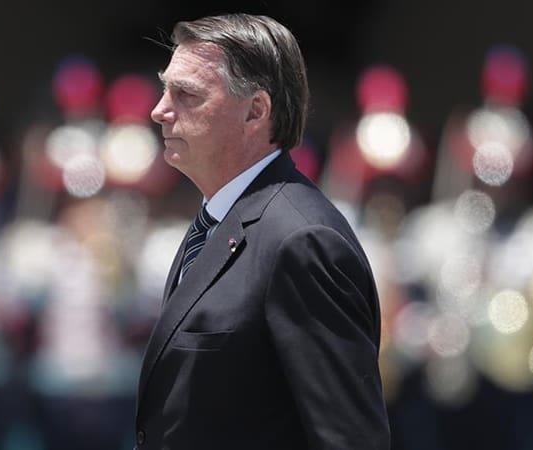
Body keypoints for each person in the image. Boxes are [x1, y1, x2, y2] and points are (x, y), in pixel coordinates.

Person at [135, 13, 390, 450]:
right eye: (164, 89)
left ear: (256, 111)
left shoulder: (303, 241)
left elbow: (349, 438)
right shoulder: (218, 220)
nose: (159, 110)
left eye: (186, 94)